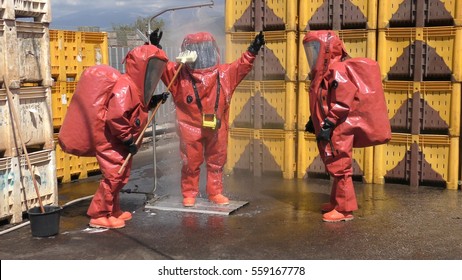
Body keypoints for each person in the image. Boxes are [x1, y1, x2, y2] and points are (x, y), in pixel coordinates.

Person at [150, 30, 265, 207]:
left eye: (205, 50)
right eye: (197, 50)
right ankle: (189, 193)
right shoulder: (179, 73)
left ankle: (215, 192)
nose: (202, 55)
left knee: (216, 161)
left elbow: (242, 65)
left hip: (216, 127)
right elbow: (162, 66)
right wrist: (155, 47)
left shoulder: (224, 73)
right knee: (190, 162)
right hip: (189, 128)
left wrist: (253, 49)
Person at [86, 45, 169, 228]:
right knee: (114, 177)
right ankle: (98, 214)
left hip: (120, 142)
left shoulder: (135, 88)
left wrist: (155, 100)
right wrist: (127, 139)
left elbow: (137, 108)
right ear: (141, 67)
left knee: (120, 177)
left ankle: (112, 210)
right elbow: (116, 116)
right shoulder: (126, 87)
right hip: (112, 141)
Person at [303, 31, 358, 222]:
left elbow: (343, 101)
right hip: (329, 126)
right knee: (335, 164)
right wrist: (314, 120)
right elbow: (322, 101)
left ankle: (344, 210)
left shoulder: (337, 70)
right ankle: (336, 202)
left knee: (341, 166)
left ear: (326, 50)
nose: (312, 54)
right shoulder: (323, 73)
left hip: (337, 128)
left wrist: (329, 122)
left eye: (315, 49)